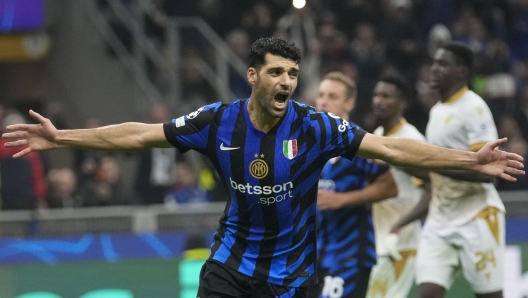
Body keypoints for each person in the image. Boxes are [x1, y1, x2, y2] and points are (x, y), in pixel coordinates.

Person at [2, 37, 524, 298]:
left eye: (293, 73)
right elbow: (139, 135)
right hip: (230, 267)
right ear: (254, 75)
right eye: (277, 72)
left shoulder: (317, 127)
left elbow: (394, 152)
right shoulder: (217, 121)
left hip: (293, 278)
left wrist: (468, 159)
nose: (287, 82)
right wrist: (63, 137)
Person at [414, 41, 511, 298]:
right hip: (439, 220)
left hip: (477, 216)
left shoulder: (474, 108)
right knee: (426, 294)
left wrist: (431, 164)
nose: (434, 68)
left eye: (443, 64)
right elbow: (433, 169)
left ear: (462, 71)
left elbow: (486, 171)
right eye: (434, 62)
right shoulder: (436, 111)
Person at [310, 72, 398, 298]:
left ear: (349, 103)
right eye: (320, 95)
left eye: (332, 96)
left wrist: (342, 199)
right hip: (317, 256)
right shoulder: (310, 144)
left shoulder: (358, 142)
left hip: (351, 255)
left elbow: (389, 186)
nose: (323, 101)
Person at [366, 75, 431, 298]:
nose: (378, 101)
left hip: (401, 244)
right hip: (376, 240)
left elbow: (431, 194)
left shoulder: (412, 141)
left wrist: (398, 227)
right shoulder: (377, 137)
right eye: (376, 95)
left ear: (402, 103)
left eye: (386, 96)